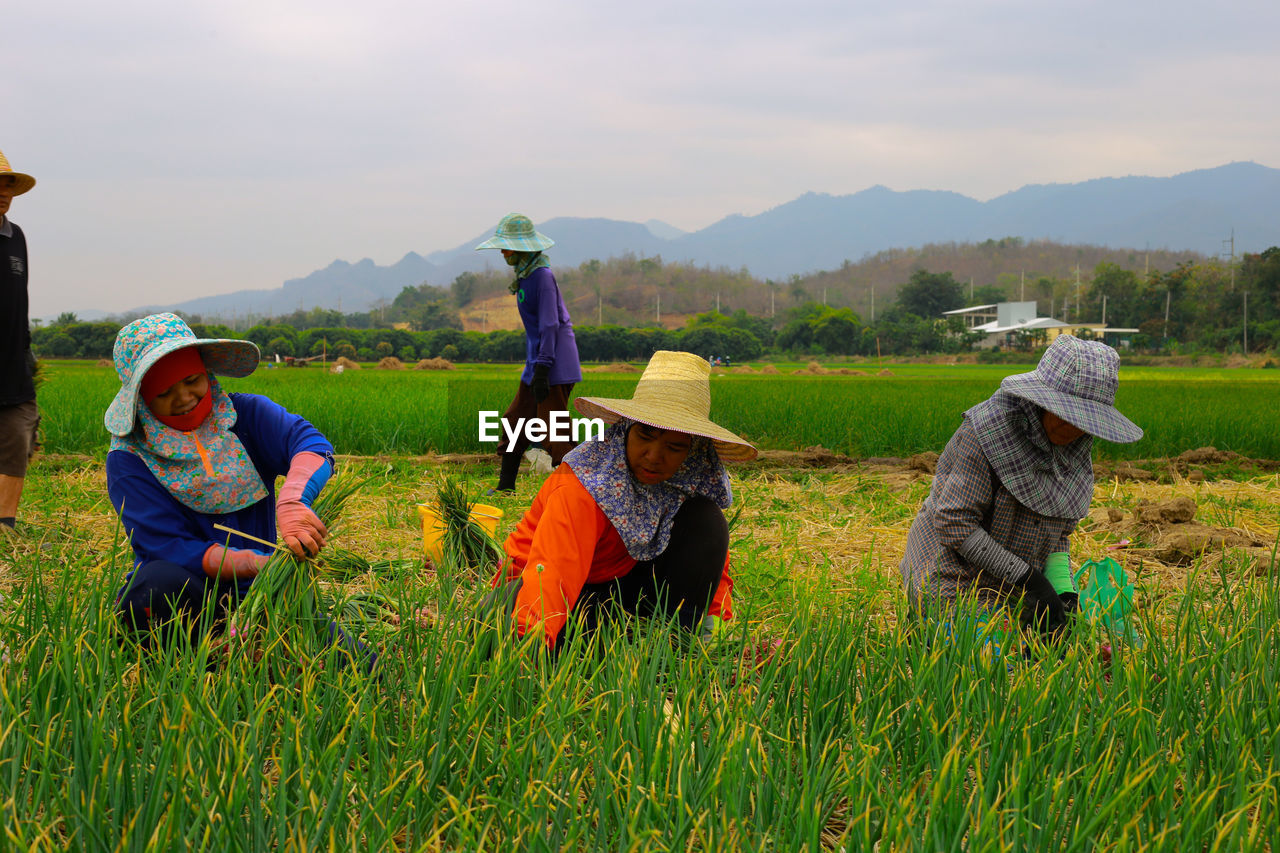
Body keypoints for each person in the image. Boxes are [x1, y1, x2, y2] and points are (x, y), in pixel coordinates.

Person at [487, 350, 757, 652]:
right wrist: (529, 646)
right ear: (624, 430)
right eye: (645, 435)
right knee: (523, 624)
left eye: (674, 446)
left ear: (692, 452)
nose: (654, 457)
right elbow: (552, 572)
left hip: (621, 583)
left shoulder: (686, 480)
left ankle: (680, 643)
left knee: (706, 519)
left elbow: (708, 556)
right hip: (543, 586)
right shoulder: (586, 482)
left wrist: (716, 615)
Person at [104, 313, 334, 645]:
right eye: (165, 391)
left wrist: (293, 499)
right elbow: (166, 547)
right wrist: (252, 562)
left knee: (358, 668)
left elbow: (311, 444)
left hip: (267, 592)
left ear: (207, 374)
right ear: (141, 397)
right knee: (155, 586)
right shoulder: (130, 458)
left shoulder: (247, 417)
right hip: (187, 598)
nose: (184, 397)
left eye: (192, 380)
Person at [900, 335, 1142, 642]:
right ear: (1040, 401)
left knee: (1062, 652)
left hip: (1014, 583)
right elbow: (954, 524)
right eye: (1068, 415)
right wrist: (1031, 581)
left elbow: (1057, 535)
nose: (1076, 429)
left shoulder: (1074, 448)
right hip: (952, 575)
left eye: (1086, 421)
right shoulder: (985, 431)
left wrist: (1061, 592)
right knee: (998, 669)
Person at [475, 213, 582, 493]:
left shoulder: (542, 277)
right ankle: (505, 486)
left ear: (523, 248)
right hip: (537, 361)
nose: (502, 251)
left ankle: (579, 493)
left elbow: (550, 324)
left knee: (553, 429)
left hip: (554, 363)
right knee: (516, 420)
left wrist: (544, 369)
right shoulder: (524, 278)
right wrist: (535, 367)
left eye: (506, 246)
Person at [0, 149, 39, 533]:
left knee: (17, 435)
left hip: (13, 363)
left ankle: (5, 523)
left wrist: (26, 353)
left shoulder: (16, 237)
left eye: (8, 184)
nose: (3, 192)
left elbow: (21, 297)